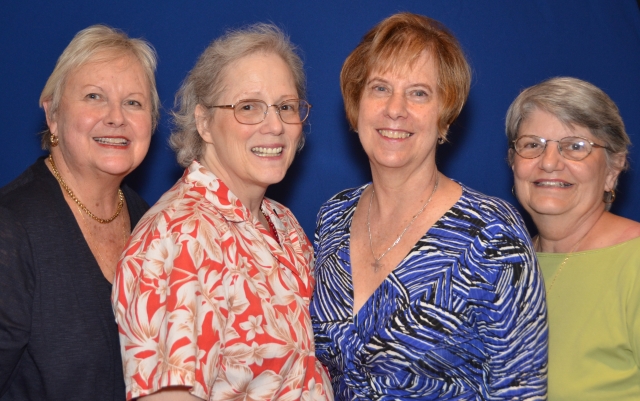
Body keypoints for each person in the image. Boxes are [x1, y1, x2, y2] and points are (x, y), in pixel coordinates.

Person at [310, 12, 548, 400]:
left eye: (419, 92)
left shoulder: (492, 234)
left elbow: (521, 390)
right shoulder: (333, 216)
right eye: (380, 88)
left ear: (445, 114)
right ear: (356, 105)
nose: (395, 109)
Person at [112, 23, 332, 401]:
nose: (275, 125)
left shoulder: (282, 222)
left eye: (286, 106)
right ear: (204, 123)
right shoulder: (181, 236)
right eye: (249, 107)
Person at [0, 25, 158, 400]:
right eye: (93, 96)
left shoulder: (151, 220)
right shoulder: (11, 228)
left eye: (134, 102)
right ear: (53, 115)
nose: (116, 117)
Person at [507, 76, 640, 400]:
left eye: (575, 146)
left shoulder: (634, 263)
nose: (549, 162)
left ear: (613, 168)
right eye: (532, 144)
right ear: (513, 162)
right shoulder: (500, 264)